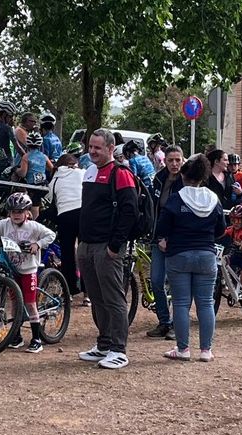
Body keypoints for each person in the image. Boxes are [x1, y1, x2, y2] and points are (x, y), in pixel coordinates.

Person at [76, 130, 139, 370]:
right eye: (90, 147)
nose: (92, 151)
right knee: (97, 298)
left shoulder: (120, 174)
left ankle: (118, 349)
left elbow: (129, 211)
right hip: (87, 246)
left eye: (97, 148)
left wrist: (115, 246)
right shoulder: (90, 172)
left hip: (106, 247)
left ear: (111, 148)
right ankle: (103, 344)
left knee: (113, 299)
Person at [155, 154, 226, 361]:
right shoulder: (213, 199)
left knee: (181, 303)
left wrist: (165, 239)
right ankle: (206, 350)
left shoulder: (177, 198)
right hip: (206, 254)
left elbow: (162, 227)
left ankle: (183, 349)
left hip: (179, 254)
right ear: (204, 177)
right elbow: (221, 229)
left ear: (184, 176)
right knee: (205, 302)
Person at [0, 191, 57, 353]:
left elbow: (50, 235)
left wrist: (38, 244)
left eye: (20, 211)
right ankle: (16, 336)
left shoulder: (33, 227)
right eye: (13, 212)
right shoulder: (5, 224)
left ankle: (37, 338)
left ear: (27, 212)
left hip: (28, 270)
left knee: (30, 303)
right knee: (15, 302)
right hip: (13, 269)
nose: (16, 215)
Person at [144, 150, 185, 338]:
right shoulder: (159, 178)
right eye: (171, 160)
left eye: (178, 160)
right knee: (156, 280)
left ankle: (178, 324)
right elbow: (154, 208)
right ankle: (163, 321)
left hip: (178, 240)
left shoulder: (186, 180)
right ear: (164, 161)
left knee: (177, 283)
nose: (174, 164)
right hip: (157, 237)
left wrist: (170, 238)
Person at [48, 148, 83, 293]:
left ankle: (70, 288)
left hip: (65, 215)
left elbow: (50, 199)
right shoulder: (83, 173)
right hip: (83, 214)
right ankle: (87, 290)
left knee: (67, 253)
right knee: (84, 251)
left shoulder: (55, 179)